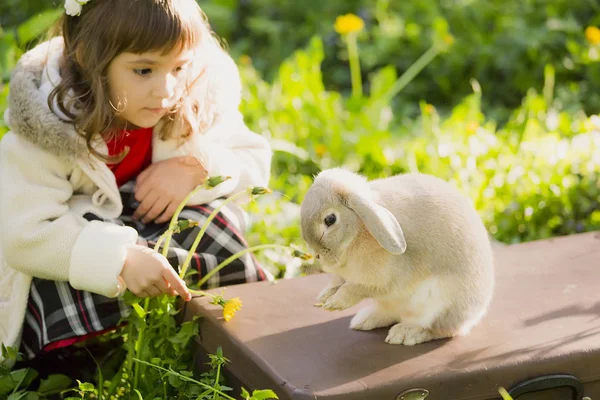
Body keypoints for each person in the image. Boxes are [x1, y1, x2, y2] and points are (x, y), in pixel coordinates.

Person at [0, 0, 272, 365]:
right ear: (88, 57)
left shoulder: (195, 96)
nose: (166, 89)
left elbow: (252, 160)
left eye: (179, 67)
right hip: (86, 251)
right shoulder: (49, 124)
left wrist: (196, 167)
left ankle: (206, 328)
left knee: (213, 222)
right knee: (57, 266)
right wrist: (119, 259)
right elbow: (22, 234)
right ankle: (84, 357)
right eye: (143, 70)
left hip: (155, 231)